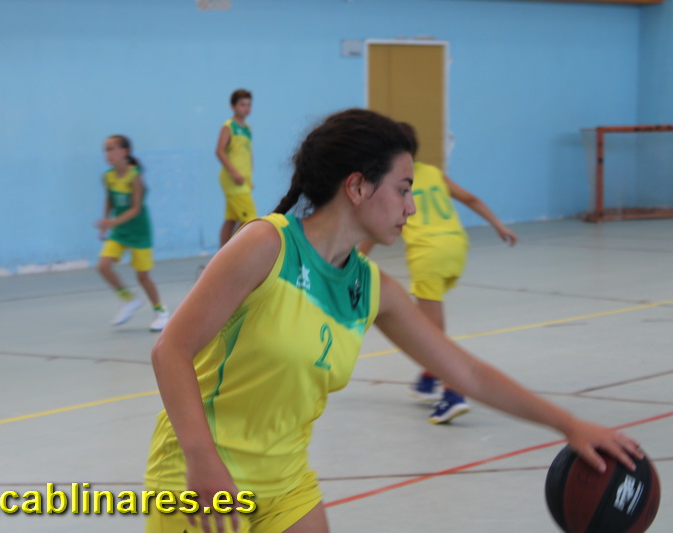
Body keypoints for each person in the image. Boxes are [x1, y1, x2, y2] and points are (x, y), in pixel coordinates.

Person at [144, 109, 642, 533]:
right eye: (404, 190)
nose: (412, 206)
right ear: (357, 186)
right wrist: (201, 460)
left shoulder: (372, 288)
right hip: (200, 473)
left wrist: (569, 424)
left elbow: (466, 372)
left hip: (286, 480)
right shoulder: (266, 245)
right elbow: (171, 351)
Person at [359, 122, 518, 425]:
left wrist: (354, 259)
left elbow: (376, 227)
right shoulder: (432, 172)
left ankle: (454, 392)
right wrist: (498, 225)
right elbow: (470, 198)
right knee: (430, 320)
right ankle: (430, 376)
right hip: (455, 248)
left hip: (428, 254)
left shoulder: (392, 181)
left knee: (430, 334)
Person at [96, 134, 169, 331]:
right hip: (120, 231)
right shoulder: (108, 177)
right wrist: (106, 222)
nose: (108, 153)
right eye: (106, 150)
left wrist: (112, 222)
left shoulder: (135, 176)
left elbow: (136, 209)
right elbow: (109, 200)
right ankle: (129, 300)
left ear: (125, 152)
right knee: (103, 266)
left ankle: (161, 311)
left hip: (139, 232)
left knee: (142, 276)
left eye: (112, 149)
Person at [215, 88, 256, 247]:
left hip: (243, 180)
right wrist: (233, 173)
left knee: (231, 219)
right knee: (250, 218)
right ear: (233, 106)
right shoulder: (229, 126)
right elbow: (219, 151)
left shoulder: (247, 128)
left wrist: (249, 178)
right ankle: (233, 250)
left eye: (249, 105)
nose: (246, 108)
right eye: (242, 104)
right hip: (232, 179)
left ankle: (222, 252)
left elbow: (248, 154)